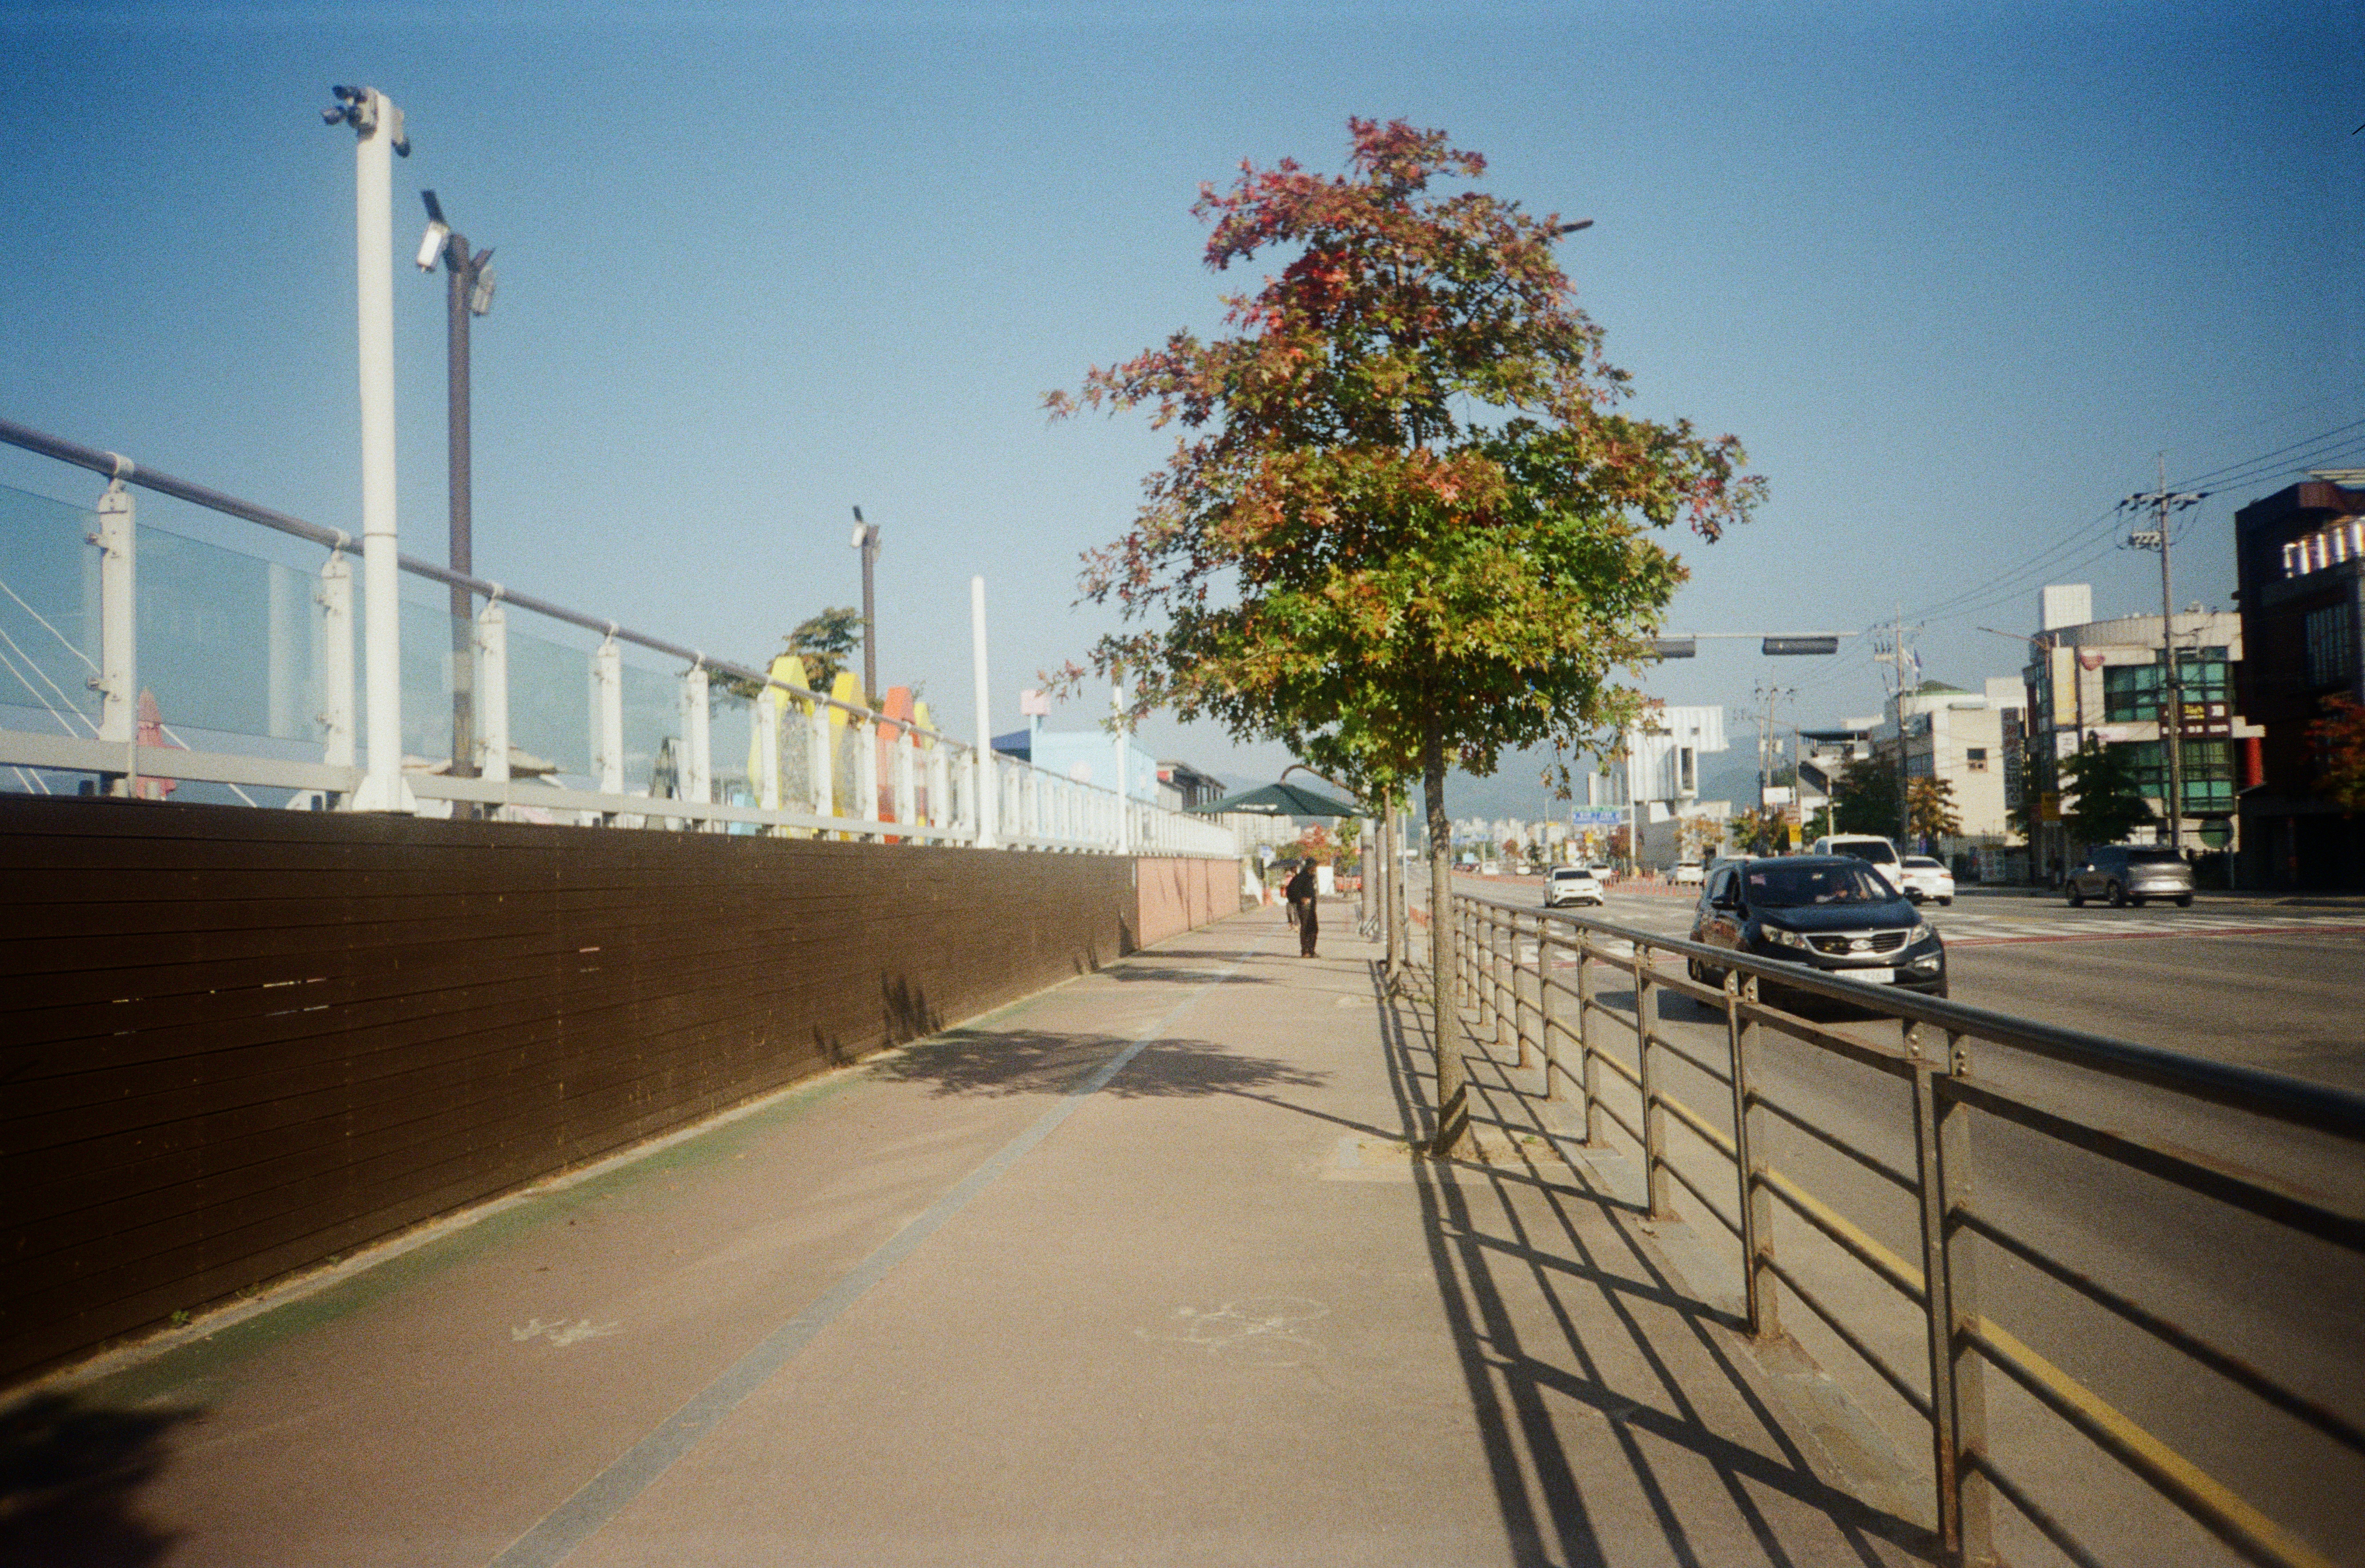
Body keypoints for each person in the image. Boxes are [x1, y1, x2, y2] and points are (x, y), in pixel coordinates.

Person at [1284, 862, 1320, 957]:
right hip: (1304, 907)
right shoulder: (1302, 877)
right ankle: (1306, 951)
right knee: (1306, 928)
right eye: (1314, 867)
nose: (1316, 869)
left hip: (1311, 907)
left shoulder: (1309, 877)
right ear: (1310, 867)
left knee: (1314, 928)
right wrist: (1302, 898)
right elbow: (1295, 890)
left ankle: (1311, 951)